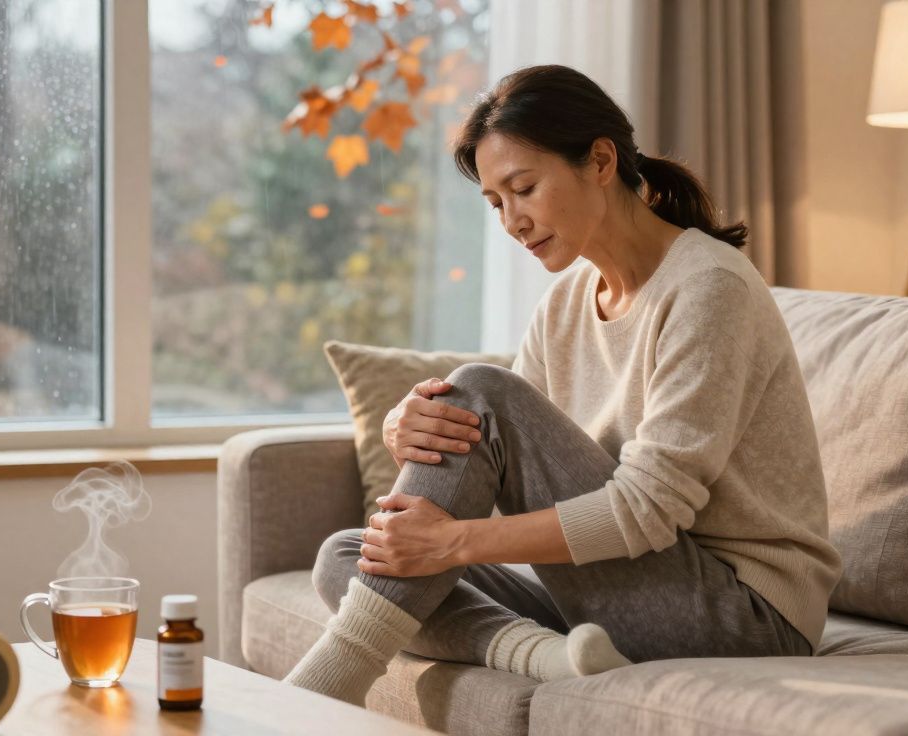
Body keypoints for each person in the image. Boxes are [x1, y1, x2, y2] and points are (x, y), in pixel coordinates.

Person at [283, 64, 842, 706]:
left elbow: (648, 509)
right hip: (616, 587)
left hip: (744, 618)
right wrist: (403, 430)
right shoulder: (567, 302)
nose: (512, 222)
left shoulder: (710, 288)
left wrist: (452, 543)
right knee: (353, 555)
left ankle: (309, 700)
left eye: (524, 189)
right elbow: (493, 468)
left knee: (479, 395)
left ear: (600, 161)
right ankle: (552, 658)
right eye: (496, 203)